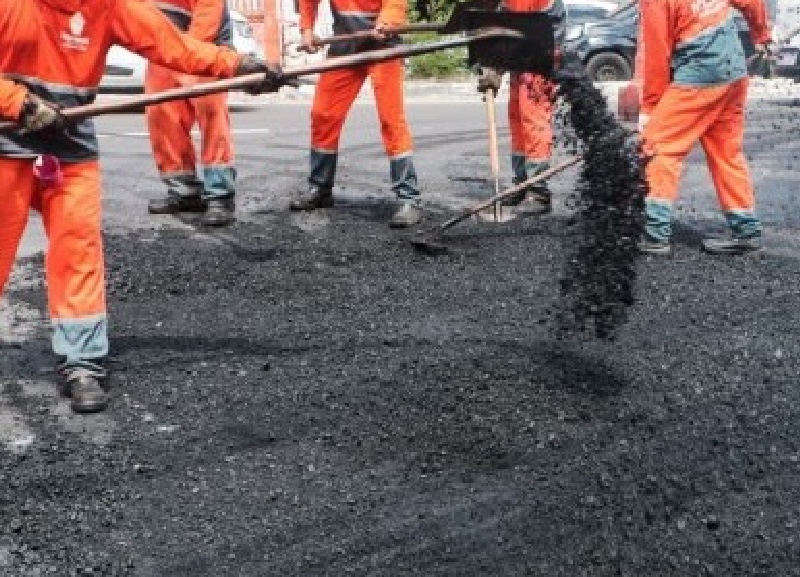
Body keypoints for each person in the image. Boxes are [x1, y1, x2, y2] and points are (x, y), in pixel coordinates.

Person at [0, 0, 282, 414]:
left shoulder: (108, 7)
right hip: (8, 146)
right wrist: (17, 102)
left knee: (78, 251)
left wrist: (240, 66)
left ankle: (82, 363)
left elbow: (175, 48)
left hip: (68, 148)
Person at [637, 0, 772, 255]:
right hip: (733, 70)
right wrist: (761, 34)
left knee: (658, 146)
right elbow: (752, 2)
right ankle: (746, 230)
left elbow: (657, 53)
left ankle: (655, 234)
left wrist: (651, 108)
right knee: (726, 152)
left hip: (701, 73)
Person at [294, 0, 424, 228]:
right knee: (323, 114)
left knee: (391, 119)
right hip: (346, 41)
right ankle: (320, 188)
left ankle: (408, 198)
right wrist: (306, 29)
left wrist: (388, 21)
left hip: (383, 43)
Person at [145, 0, 239, 227]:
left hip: (206, 49)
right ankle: (183, 191)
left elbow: (205, 25)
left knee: (211, 116)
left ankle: (220, 196)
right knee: (162, 116)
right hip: (164, 52)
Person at [476, 0, 566, 214]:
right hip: (521, 55)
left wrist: (498, 61)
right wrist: (491, 64)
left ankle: (538, 190)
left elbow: (535, 27)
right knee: (517, 119)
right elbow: (502, 23)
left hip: (540, 56)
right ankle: (521, 183)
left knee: (533, 121)